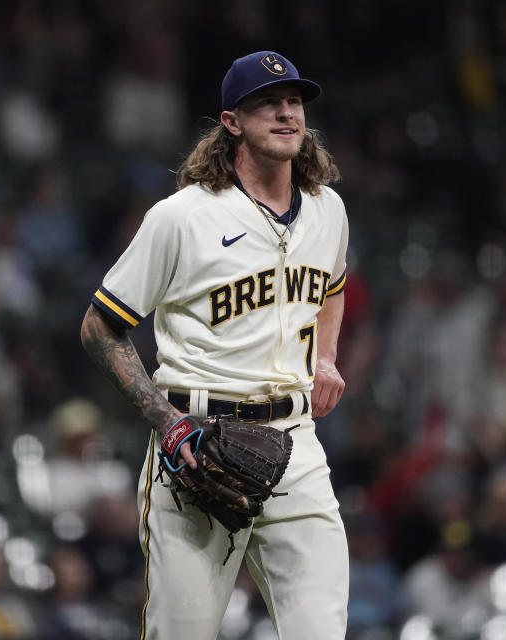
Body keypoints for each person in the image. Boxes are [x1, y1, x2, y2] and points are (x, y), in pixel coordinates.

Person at [80, 51, 350, 638]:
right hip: (198, 445)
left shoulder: (328, 209)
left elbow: (332, 288)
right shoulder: (181, 217)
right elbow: (100, 326)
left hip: (296, 445)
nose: (286, 113)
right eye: (267, 103)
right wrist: (168, 423)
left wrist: (325, 356)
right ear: (232, 122)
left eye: (295, 101)